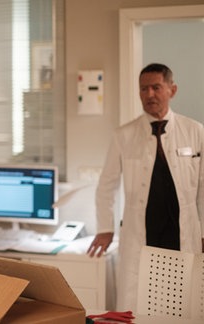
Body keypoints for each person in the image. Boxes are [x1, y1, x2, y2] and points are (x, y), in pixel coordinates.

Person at [87, 63, 204, 312]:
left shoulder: (195, 131)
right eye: (143, 89)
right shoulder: (124, 135)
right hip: (141, 236)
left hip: (181, 235)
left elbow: (203, 189)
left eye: (156, 87)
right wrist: (105, 228)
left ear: (172, 90)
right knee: (138, 307)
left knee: (182, 307)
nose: (149, 94)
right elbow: (106, 185)